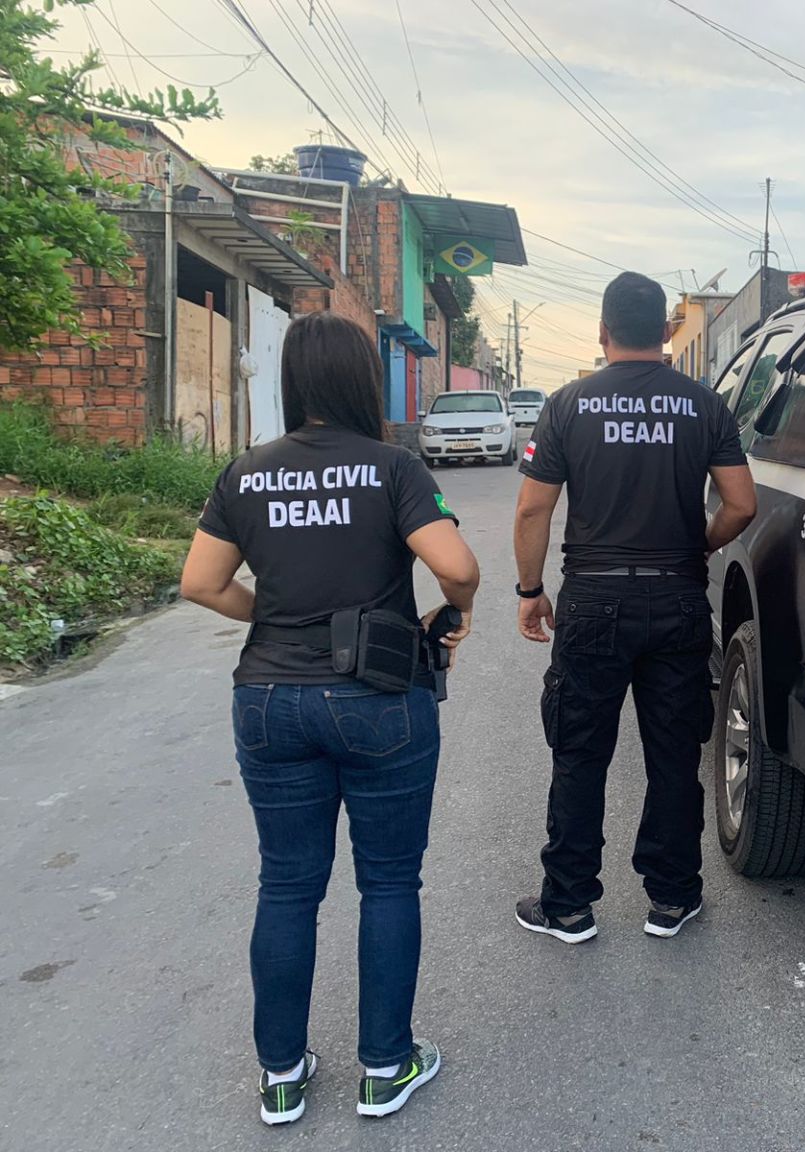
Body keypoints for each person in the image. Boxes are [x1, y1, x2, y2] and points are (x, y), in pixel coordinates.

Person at [179, 311, 478, 1126]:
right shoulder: (392, 468)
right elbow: (456, 564)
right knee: (387, 879)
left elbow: (200, 583)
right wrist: (453, 614)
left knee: (287, 884)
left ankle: (281, 1075)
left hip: (268, 701)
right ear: (360, 381)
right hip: (380, 699)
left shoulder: (246, 473)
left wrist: (273, 619)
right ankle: (385, 1066)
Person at [513, 271, 757, 944]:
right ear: (668, 332)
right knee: (674, 755)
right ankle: (673, 899)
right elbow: (741, 504)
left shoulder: (566, 405)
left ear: (602, 331)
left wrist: (531, 591)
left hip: (592, 598)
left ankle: (567, 905)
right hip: (677, 595)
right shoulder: (704, 407)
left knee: (580, 754)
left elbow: (535, 505)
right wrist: (697, 547)